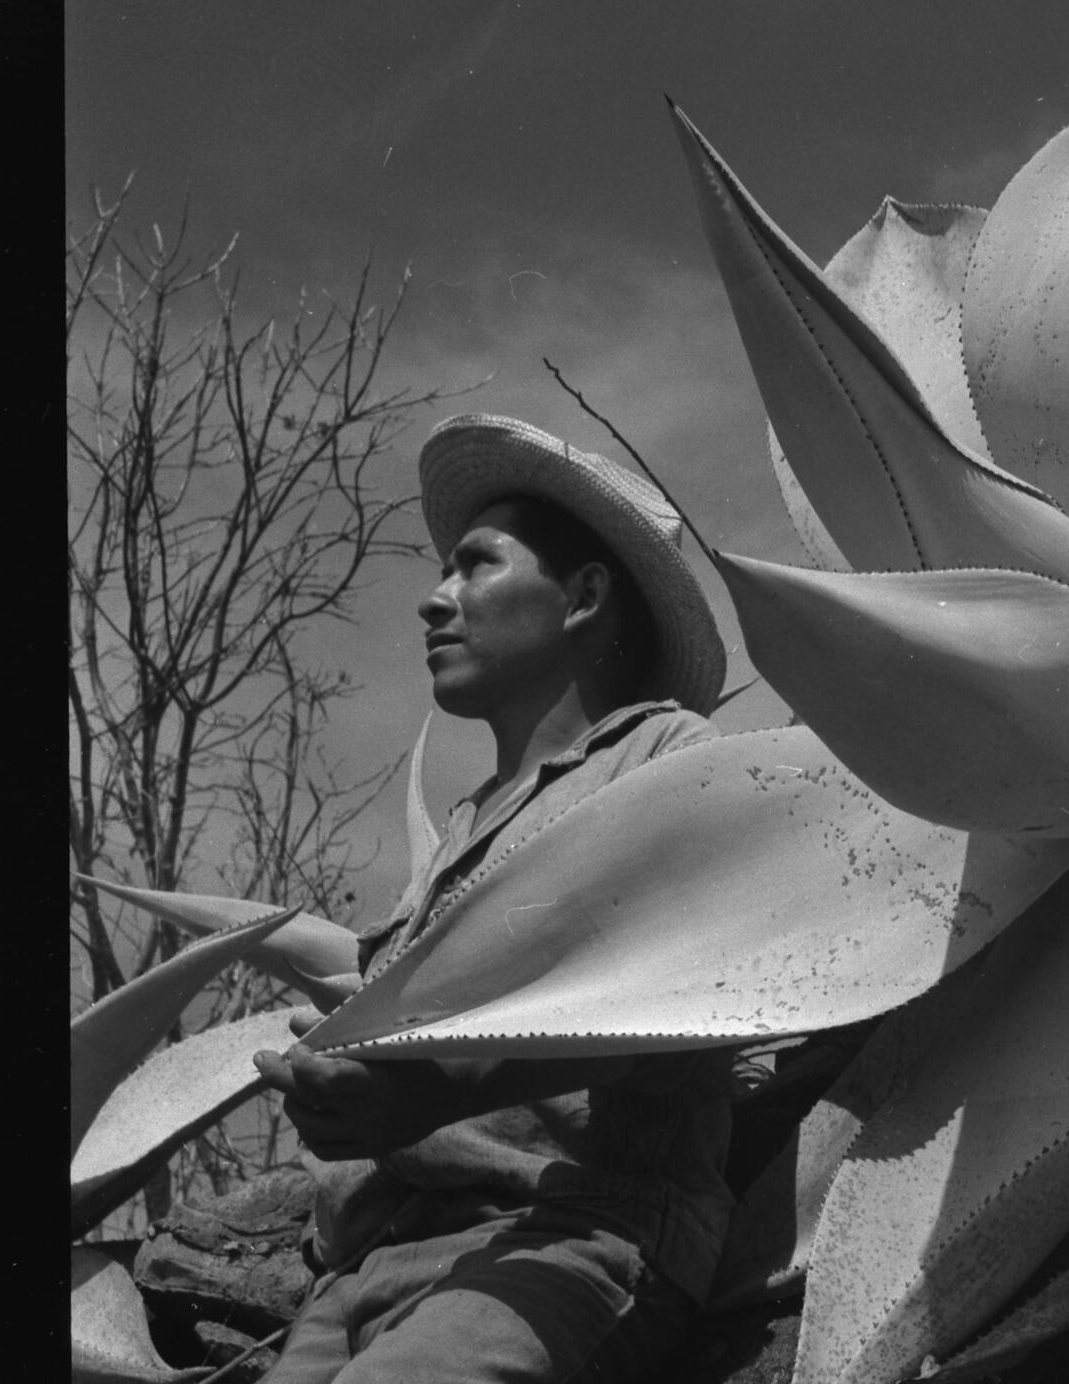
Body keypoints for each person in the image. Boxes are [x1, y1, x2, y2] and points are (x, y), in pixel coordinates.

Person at [253, 414, 736, 1383]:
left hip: (567, 1235)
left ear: (584, 597)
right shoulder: (455, 838)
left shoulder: (668, 761)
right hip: (363, 1275)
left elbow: (694, 990)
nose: (434, 601)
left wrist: (432, 1087)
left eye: (475, 568)